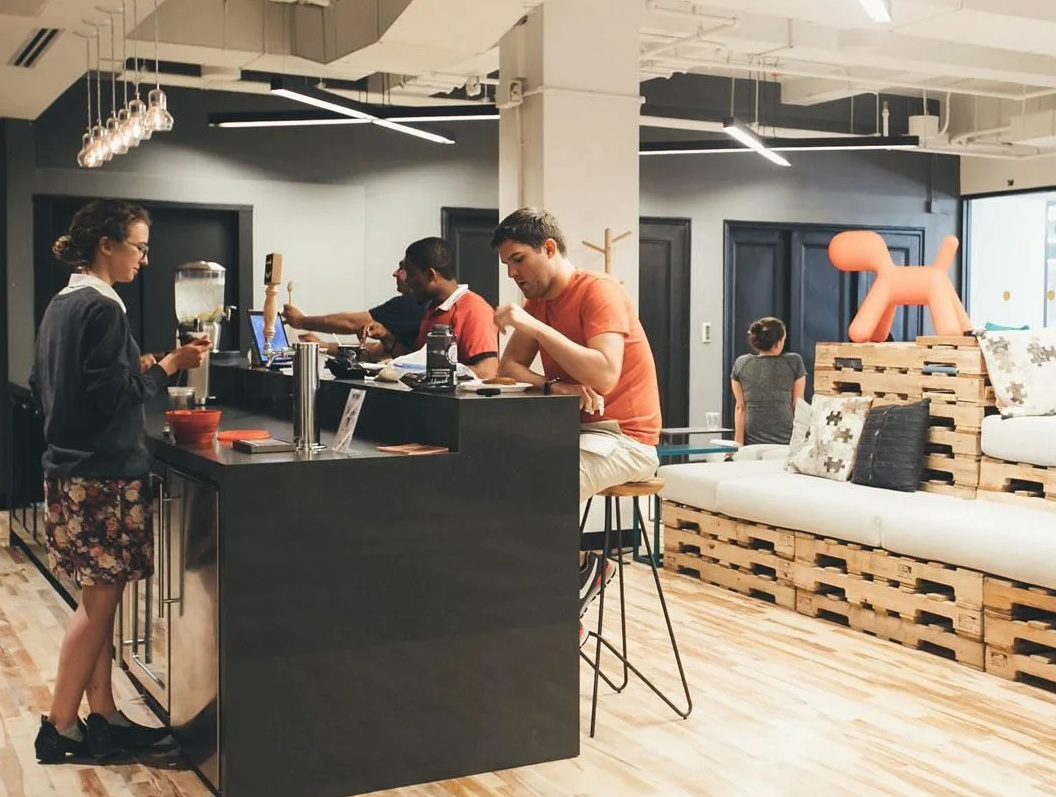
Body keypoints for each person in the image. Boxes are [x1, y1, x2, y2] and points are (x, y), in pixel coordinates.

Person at [29, 199, 212, 763]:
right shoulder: (106, 309)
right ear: (105, 245)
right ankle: (60, 727)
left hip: (67, 471)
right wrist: (168, 366)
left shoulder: (64, 302)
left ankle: (102, 714)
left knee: (97, 602)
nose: (145, 258)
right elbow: (114, 399)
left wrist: (138, 366)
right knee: (98, 606)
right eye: (139, 246)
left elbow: (49, 383)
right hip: (102, 477)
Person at [490, 208, 661, 645]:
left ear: (548, 248)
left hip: (628, 440)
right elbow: (508, 367)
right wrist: (554, 387)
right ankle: (576, 568)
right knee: (492, 472)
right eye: (507, 264)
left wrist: (533, 326)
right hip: (578, 435)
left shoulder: (599, 292)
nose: (512, 273)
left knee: (542, 485)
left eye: (518, 259)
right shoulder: (539, 302)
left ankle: (563, 601)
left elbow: (605, 374)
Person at [363, 237, 499, 380]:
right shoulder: (433, 309)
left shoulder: (474, 309)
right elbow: (418, 363)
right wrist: (387, 337)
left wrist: (431, 372)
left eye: (411, 274)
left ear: (430, 275)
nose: (407, 280)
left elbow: (487, 372)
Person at [281, 263, 425, 358]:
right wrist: (322, 346)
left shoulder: (411, 303)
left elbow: (352, 323)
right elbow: (374, 352)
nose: (394, 273)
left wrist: (300, 321)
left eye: (402, 268)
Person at [730, 316, 807, 447]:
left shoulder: (741, 363)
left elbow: (740, 407)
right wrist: (802, 443)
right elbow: (798, 405)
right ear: (778, 342)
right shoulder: (794, 361)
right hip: (787, 441)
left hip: (752, 442)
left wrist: (738, 445)